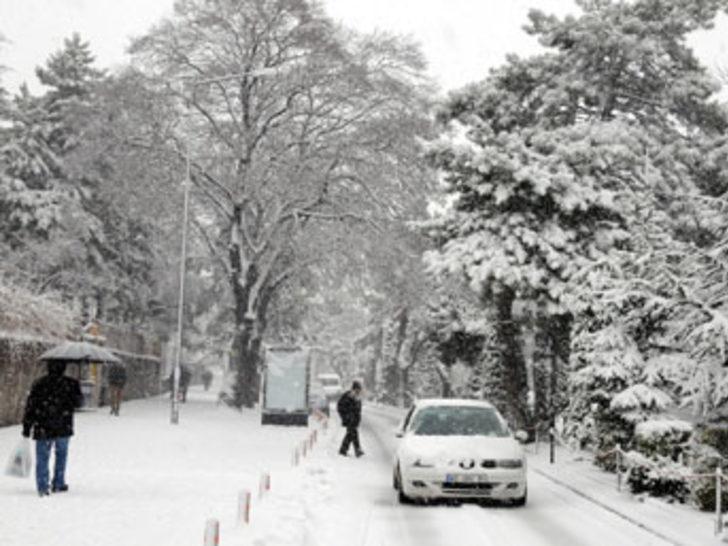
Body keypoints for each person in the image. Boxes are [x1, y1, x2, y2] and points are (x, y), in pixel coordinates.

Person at [21, 360, 83, 497]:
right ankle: (58, 483)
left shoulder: (39, 383)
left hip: (43, 425)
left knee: (42, 457)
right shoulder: (71, 384)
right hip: (63, 425)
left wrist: (27, 426)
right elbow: (79, 404)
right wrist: (76, 389)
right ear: (64, 368)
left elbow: (31, 406)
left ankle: (43, 486)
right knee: (61, 455)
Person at [337, 380, 364, 457]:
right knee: (352, 433)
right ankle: (356, 450)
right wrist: (346, 416)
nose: (359, 391)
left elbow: (358, 410)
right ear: (354, 389)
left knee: (351, 434)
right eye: (357, 389)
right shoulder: (347, 396)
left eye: (359, 390)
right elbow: (340, 407)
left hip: (354, 420)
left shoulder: (357, 398)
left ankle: (344, 450)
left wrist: (358, 419)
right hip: (349, 419)